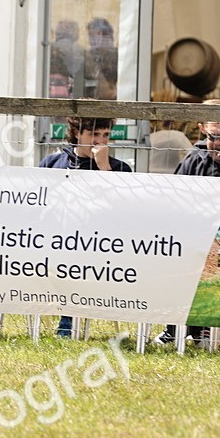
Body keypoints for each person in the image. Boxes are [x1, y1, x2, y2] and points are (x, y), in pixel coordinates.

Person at [156, 99, 220, 345]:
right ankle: (175, 327)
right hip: (194, 237)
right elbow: (176, 199)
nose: (217, 144)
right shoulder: (195, 158)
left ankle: (208, 327)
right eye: (211, 137)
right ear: (202, 129)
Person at [39, 116, 132, 338]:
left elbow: (121, 211)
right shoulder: (52, 163)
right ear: (77, 133)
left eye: (106, 135)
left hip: (100, 248)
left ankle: (67, 319)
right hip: (52, 243)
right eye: (94, 134)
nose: (100, 141)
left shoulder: (119, 169)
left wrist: (104, 168)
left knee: (74, 261)